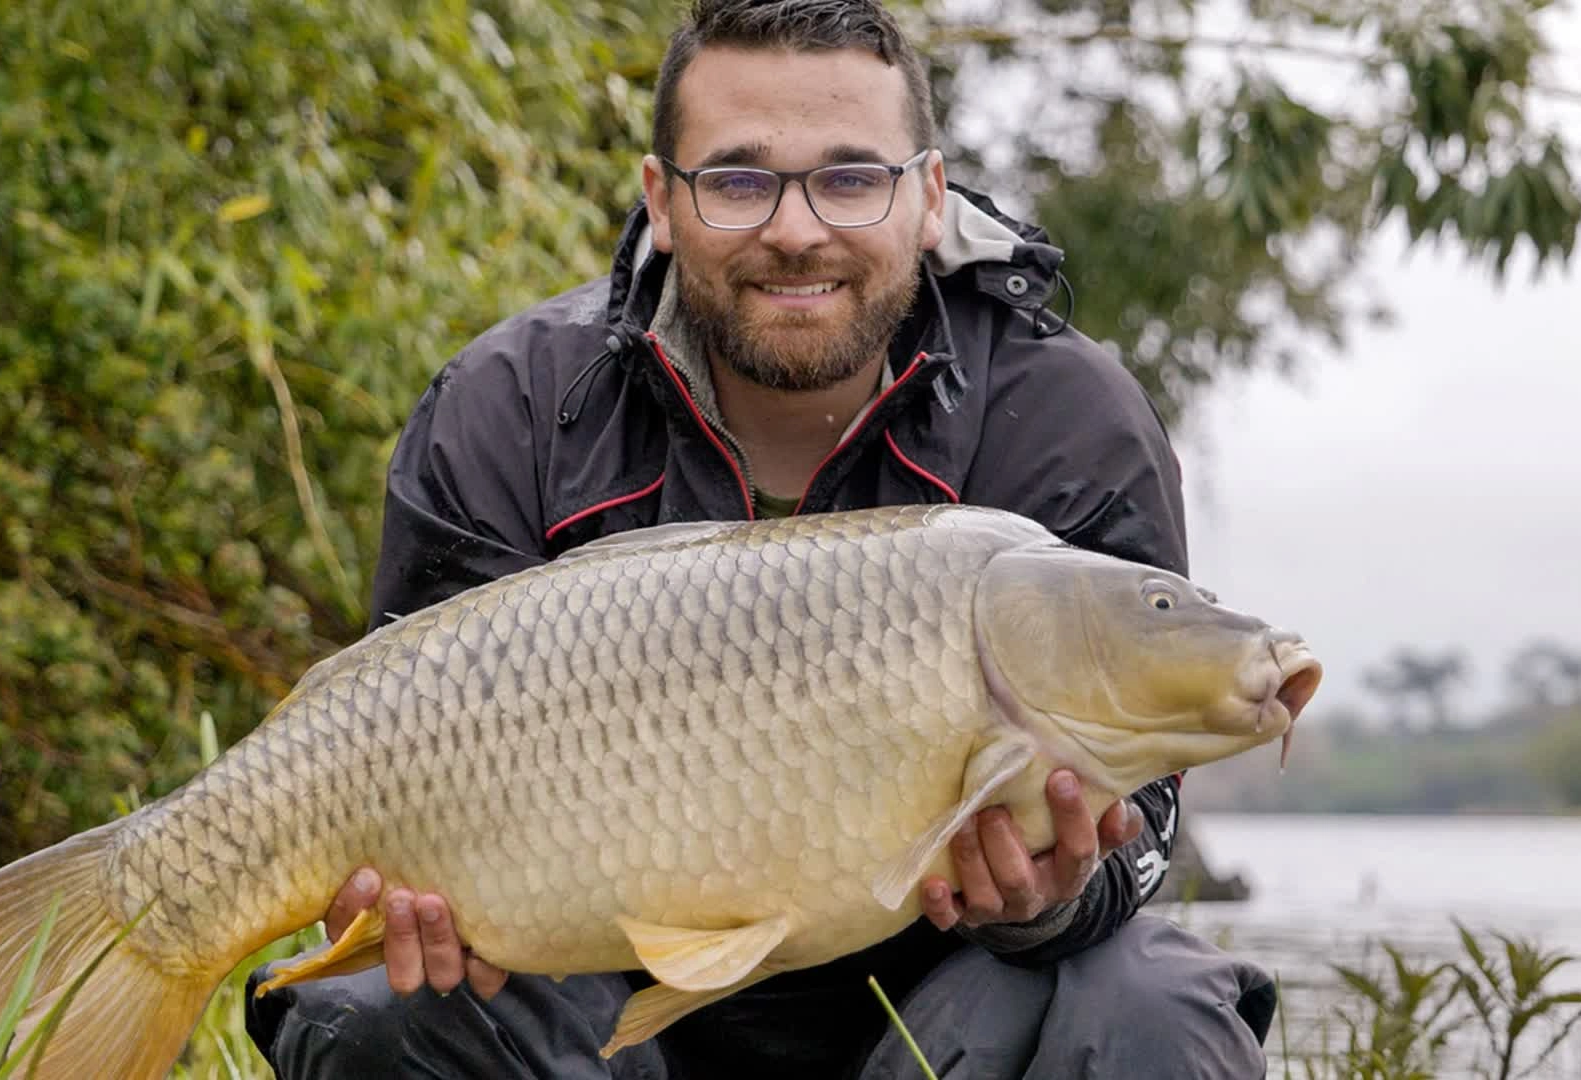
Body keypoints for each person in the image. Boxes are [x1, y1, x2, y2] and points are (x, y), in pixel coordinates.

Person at [244, 0, 1277, 1075]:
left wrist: (1045, 899)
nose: (795, 230)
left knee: (1153, 1002)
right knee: (374, 1007)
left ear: (928, 196)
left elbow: (1138, 833)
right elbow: (391, 744)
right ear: (660, 201)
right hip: (589, 1009)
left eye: (850, 177)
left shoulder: (1067, 421)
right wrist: (406, 910)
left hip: (937, 1007)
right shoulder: (509, 407)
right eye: (738, 181)